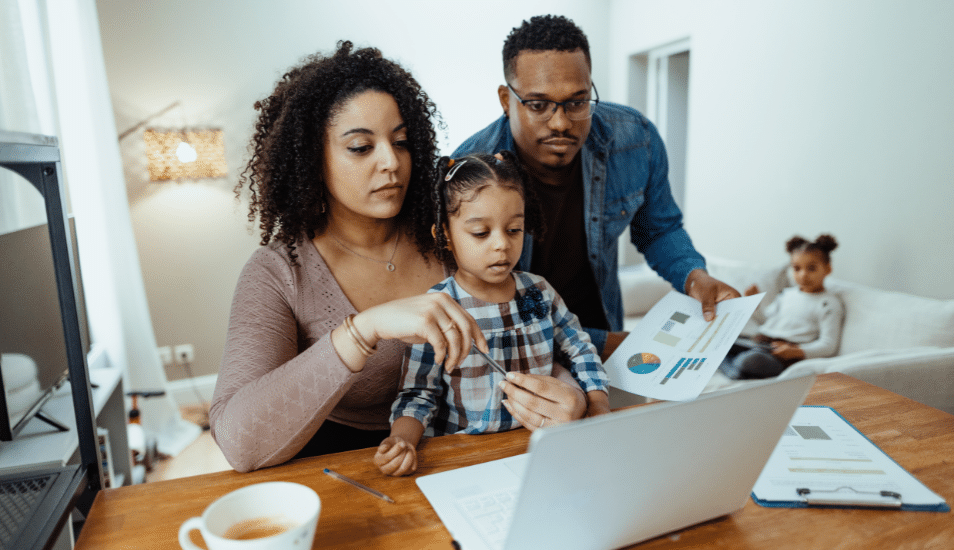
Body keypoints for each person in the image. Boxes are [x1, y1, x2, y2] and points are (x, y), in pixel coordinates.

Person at [210, 42, 587, 473]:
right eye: (360, 147)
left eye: (402, 141)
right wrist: (364, 329)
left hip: (461, 461)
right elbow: (239, 443)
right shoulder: (279, 273)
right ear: (313, 158)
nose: (392, 162)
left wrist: (567, 391)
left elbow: (528, 334)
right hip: (344, 473)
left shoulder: (454, 236)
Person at [452, 15, 740, 360]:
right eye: (539, 105)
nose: (560, 123)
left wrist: (694, 277)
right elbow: (476, 299)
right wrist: (606, 345)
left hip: (605, 329)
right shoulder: (468, 172)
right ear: (505, 99)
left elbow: (659, 229)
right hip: (519, 356)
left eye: (577, 101)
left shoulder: (635, 140)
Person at [374, 152, 610, 476]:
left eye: (514, 229)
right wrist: (402, 440)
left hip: (540, 454)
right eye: (481, 233)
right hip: (465, 461)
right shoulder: (439, 309)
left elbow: (579, 349)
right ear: (444, 235)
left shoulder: (536, 294)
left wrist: (598, 407)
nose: (502, 244)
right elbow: (419, 393)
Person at [720, 235, 844, 379]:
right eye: (797, 268)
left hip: (784, 355)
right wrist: (754, 304)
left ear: (827, 269)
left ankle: (734, 368)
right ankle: (735, 367)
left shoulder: (828, 304)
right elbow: (768, 318)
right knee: (721, 342)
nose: (803, 275)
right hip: (761, 343)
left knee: (751, 360)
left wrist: (797, 351)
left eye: (811, 268)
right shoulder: (787, 294)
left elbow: (828, 345)